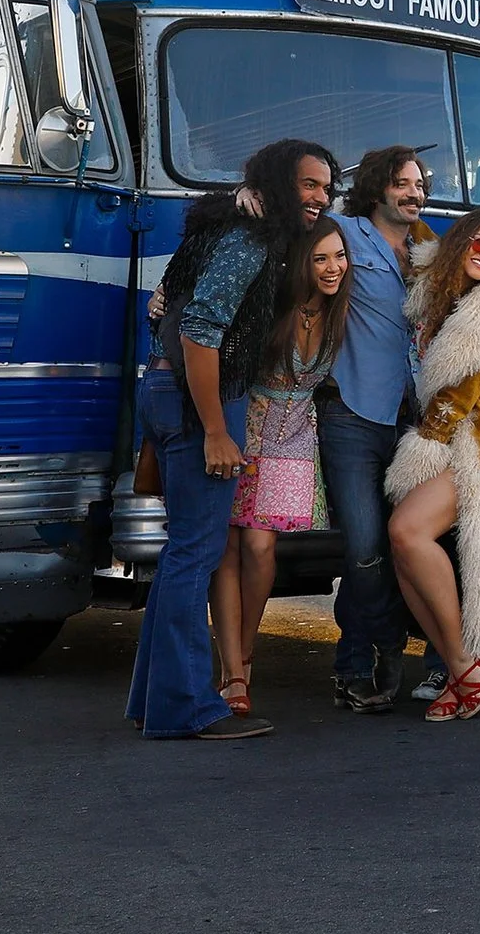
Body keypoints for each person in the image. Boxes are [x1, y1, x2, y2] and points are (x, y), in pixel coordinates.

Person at [127, 139, 336, 740]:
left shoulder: (229, 226)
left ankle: (154, 702)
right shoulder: (249, 239)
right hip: (202, 403)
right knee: (195, 553)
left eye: (326, 187)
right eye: (308, 185)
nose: (320, 197)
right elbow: (198, 329)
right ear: (276, 183)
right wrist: (217, 429)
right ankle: (189, 709)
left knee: (181, 556)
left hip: (169, 392)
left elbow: (161, 308)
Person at [384, 215, 480, 722]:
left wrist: (424, 445)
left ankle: (465, 663)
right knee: (403, 546)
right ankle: (464, 667)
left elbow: (458, 390)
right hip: (444, 436)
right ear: (460, 241)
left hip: (473, 441)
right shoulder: (430, 285)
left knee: (408, 532)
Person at [321, 145, 450, 714]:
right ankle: (384, 649)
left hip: (413, 418)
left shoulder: (429, 252)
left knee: (405, 541)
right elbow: (284, 244)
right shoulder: (341, 232)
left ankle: (357, 667)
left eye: (419, 184)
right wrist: (250, 199)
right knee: (365, 545)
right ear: (377, 188)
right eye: (402, 183)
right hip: (351, 410)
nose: (414, 192)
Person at [206, 215, 351, 716]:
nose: (333, 268)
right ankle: (234, 671)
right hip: (245, 429)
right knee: (227, 548)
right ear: (301, 264)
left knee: (262, 549)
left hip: (295, 439)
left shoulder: (340, 312)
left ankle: (243, 654)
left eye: (339, 256)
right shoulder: (272, 307)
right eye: (321, 258)